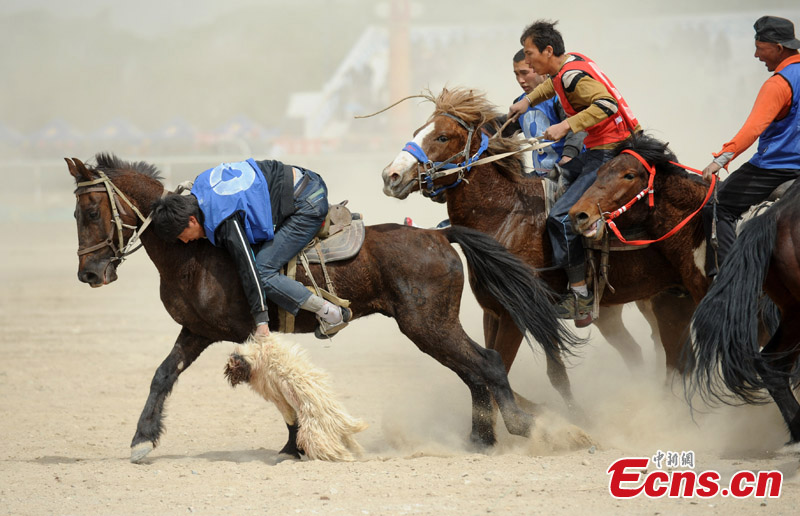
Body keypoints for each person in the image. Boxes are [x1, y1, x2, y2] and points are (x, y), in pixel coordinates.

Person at [508, 20, 641, 327]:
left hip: (607, 152)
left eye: (529, 54)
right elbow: (550, 85)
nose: (527, 61)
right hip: (599, 149)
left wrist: (565, 125)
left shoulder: (571, 76)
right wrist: (526, 102)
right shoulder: (565, 68)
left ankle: (580, 294)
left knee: (560, 217)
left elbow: (606, 105)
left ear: (548, 50)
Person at [151, 159, 351, 338]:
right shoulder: (200, 185)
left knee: (264, 271)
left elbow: (249, 267)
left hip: (307, 204)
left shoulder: (225, 220)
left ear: (192, 220)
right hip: (301, 180)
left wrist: (261, 321)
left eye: (181, 236)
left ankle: (330, 313)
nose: (185, 242)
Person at [701, 15, 800, 279]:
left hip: (776, 167)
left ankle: (728, 275)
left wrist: (719, 160)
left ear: (778, 47)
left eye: (759, 47)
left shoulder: (778, 83)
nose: (756, 55)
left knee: (717, 206)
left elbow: (753, 129)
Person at [512, 49, 585, 177]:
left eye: (524, 73)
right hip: (542, 175)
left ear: (539, 68)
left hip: (568, 170)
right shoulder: (520, 103)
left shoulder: (559, 97)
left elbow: (578, 128)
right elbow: (502, 127)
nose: (520, 80)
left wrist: (568, 157)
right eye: (516, 74)